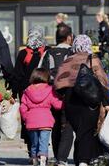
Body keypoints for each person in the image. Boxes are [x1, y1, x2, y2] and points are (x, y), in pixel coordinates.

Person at [54, 34, 109, 166]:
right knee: (86, 131)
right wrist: (107, 103)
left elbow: (58, 84)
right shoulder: (93, 59)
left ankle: (80, 160)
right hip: (89, 101)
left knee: (79, 131)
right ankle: (83, 161)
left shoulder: (67, 60)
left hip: (71, 101)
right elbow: (102, 82)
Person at [38, 25, 74, 166]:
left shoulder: (47, 53)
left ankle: (57, 154)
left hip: (51, 94)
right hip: (68, 94)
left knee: (56, 125)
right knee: (67, 126)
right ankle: (62, 159)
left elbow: (40, 72)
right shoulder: (72, 52)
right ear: (69, 37)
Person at [12, 26, 48, 159]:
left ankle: (31, 151)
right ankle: (42, 150)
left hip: (26, 93)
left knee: (28, 120)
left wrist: (14, 94)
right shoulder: (46, 51)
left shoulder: (23, 53)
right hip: (44, 93)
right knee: (43, 119)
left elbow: (16, 76)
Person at [20, 68, 63, 166]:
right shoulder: (49, 89)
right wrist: (65, 102)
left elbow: (22, 107)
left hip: (31, 121)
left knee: (34, 143)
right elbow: (57, 105)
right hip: (45, 120)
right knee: (44, 141)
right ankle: (43, 158)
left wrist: (26, 117)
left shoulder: (27, 90)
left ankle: (34, 158)